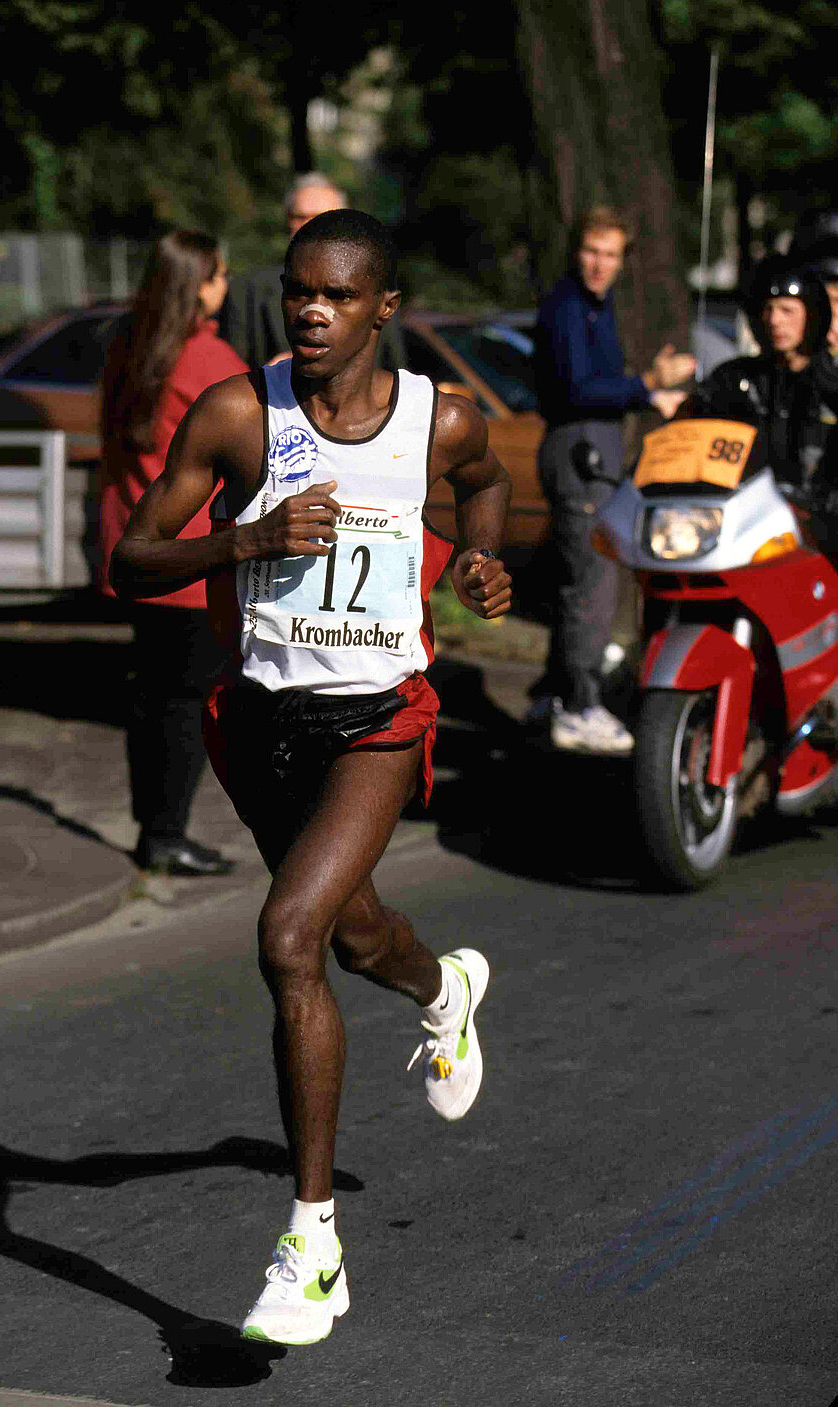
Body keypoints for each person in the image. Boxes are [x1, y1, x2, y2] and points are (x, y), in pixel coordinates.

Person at [111, 209, 512, 1345]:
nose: (313, 312)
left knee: (289, 935)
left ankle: (313, 1244)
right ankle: (445, 993)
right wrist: (244, 540)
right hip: (261, 722)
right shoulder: (242, 412)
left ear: (386, 309)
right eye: (298, 292)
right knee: (354, 933)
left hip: (379, 719)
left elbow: (485, 490)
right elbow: (130, 560)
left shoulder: (442, 419)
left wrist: (482, 562)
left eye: (338, 296)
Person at [100, 229, 247, 875]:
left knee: (150, 694)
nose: (225, 285)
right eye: (218, 275)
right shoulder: (208, 358)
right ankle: (167, 833)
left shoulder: (126, 346)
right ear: (197, 284)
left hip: (132, 549)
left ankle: (151, 826)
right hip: (190, 561)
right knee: (187, 702)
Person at [531, 204, 696, 754]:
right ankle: (579, 708)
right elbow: (578, 389)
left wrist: (650, 393)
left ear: (622, 260)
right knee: (592, 585)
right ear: (576, 251)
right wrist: (648, 382)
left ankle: (552, 697)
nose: (599, 264)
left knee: (578, 578)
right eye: (591, 252)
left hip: (590, 449)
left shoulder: (595, 307)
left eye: (610, 255)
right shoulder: (568, 307)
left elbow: (601, 385)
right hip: (577, 451)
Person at [682, 258, 838, 492]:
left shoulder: (831, 385)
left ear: (812, 315)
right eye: (768, 309)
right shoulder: (732, 378)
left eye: (787, 310)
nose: (775, 320)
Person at [223, 172, 405, 372]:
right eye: (299, 216)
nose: (308, 225)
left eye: (321, 217)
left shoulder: (375, 288)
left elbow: (394, 367)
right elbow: (226, 371)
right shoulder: (248, 289)